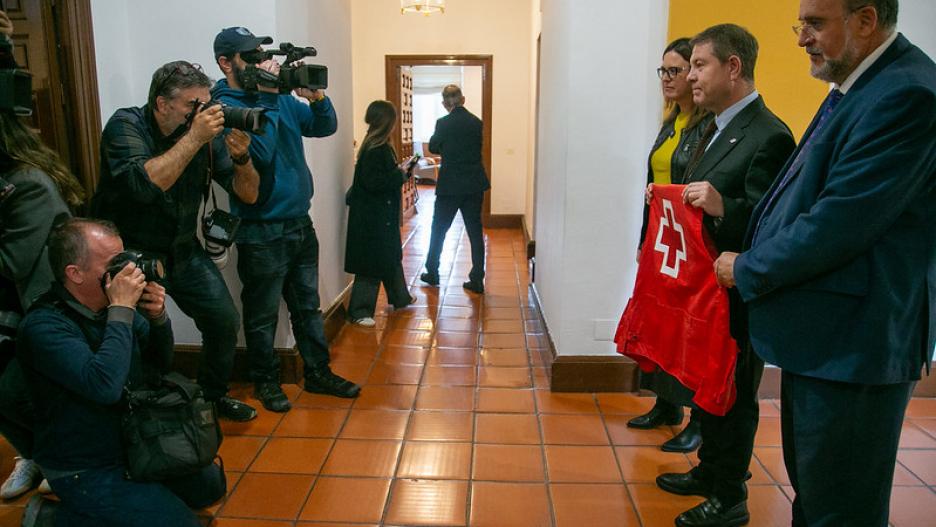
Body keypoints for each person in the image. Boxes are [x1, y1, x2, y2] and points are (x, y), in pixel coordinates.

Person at [715, 1, 935, 524]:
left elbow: (838, 222)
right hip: (828, 337)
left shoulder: (907, 93)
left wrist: (746, 268)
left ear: (865, 19)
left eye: (815, 24)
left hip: (857, 341)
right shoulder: (863, 83)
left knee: (841, 507)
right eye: (802, 24)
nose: (801, 39)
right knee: (817, 495)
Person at [653, 24, 795, 527]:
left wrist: (722, 206)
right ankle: (710, 472)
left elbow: (769, 221)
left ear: (732, 68)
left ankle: (730, 496)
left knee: (733, 395)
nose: (690, 75)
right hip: (701, 288)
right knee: (706, 386)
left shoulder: (769, 134)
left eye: (698, 65)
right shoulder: (708, 126)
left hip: (736, 291)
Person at [17, 218, 225, 526]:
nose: (129, 269)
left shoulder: (107, 308)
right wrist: (122, 310)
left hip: (130, 442)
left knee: (209, 485)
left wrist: (158, 319)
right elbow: (105, 385)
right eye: (115, 263)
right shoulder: (45, 327)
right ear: (75, 274)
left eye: (125, 257)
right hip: (82, 465)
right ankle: (50, 519)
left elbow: (158, 364)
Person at [92, 60, 260, 422]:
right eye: (191, 105)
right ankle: (140, 409)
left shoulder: (206, 137)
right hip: (129, 250)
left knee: (223, 321)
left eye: (205, 103)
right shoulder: (126, 125)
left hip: (183, 248)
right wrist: (195, 136)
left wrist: (243, 157)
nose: (201, 113)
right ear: (162, 104)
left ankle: (211, 399)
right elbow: (145, 184)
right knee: (141, 333)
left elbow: (248, 195)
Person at [211, 26, 359, 413]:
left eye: (261, 54)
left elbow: (323, 126)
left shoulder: (276, 99)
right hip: (260, 229)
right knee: (261, 316)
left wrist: (317, 97)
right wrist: (270, 96)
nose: (261, 62)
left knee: (307, 306)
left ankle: (318, 373)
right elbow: (258, 153)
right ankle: (265, 381)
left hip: (298, 222)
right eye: (251, 57)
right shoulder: (225, 105)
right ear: (226, 63)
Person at [0, 10, 84, 500]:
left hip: (36, 314)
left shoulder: (27, 184)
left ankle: (61, 460)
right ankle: (35, 454)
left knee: (16, 391)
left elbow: (14, 266)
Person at [629, 37, 715, 454]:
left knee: (690, 330)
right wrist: (644, 238)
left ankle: (698, 418)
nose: (667, 79)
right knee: (662, 324)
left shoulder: (706, 126)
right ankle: (666, 405)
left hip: (691, 247)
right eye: (663, 71)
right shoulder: (671, 123)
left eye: (675, 71)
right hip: (662, 240)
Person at [345, 101, 418, 327]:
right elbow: (374, 182)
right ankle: (359, 311)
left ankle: (400, 297)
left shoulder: (376, 145)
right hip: (373, 217)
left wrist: (399, 171)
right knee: (372, 263)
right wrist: (400, 174)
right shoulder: (376, 149)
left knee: (389, 256)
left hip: (378, 215)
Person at [419, 84, 490, 294]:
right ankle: (477, 278)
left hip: (450, 185)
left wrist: (445, 147)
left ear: (444, 103)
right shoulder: (476, 122)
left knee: (439, 229)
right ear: (463, 99)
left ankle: (432, 271)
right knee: (475, 231)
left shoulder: (443, 123)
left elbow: (433, 147)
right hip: (473, 183)